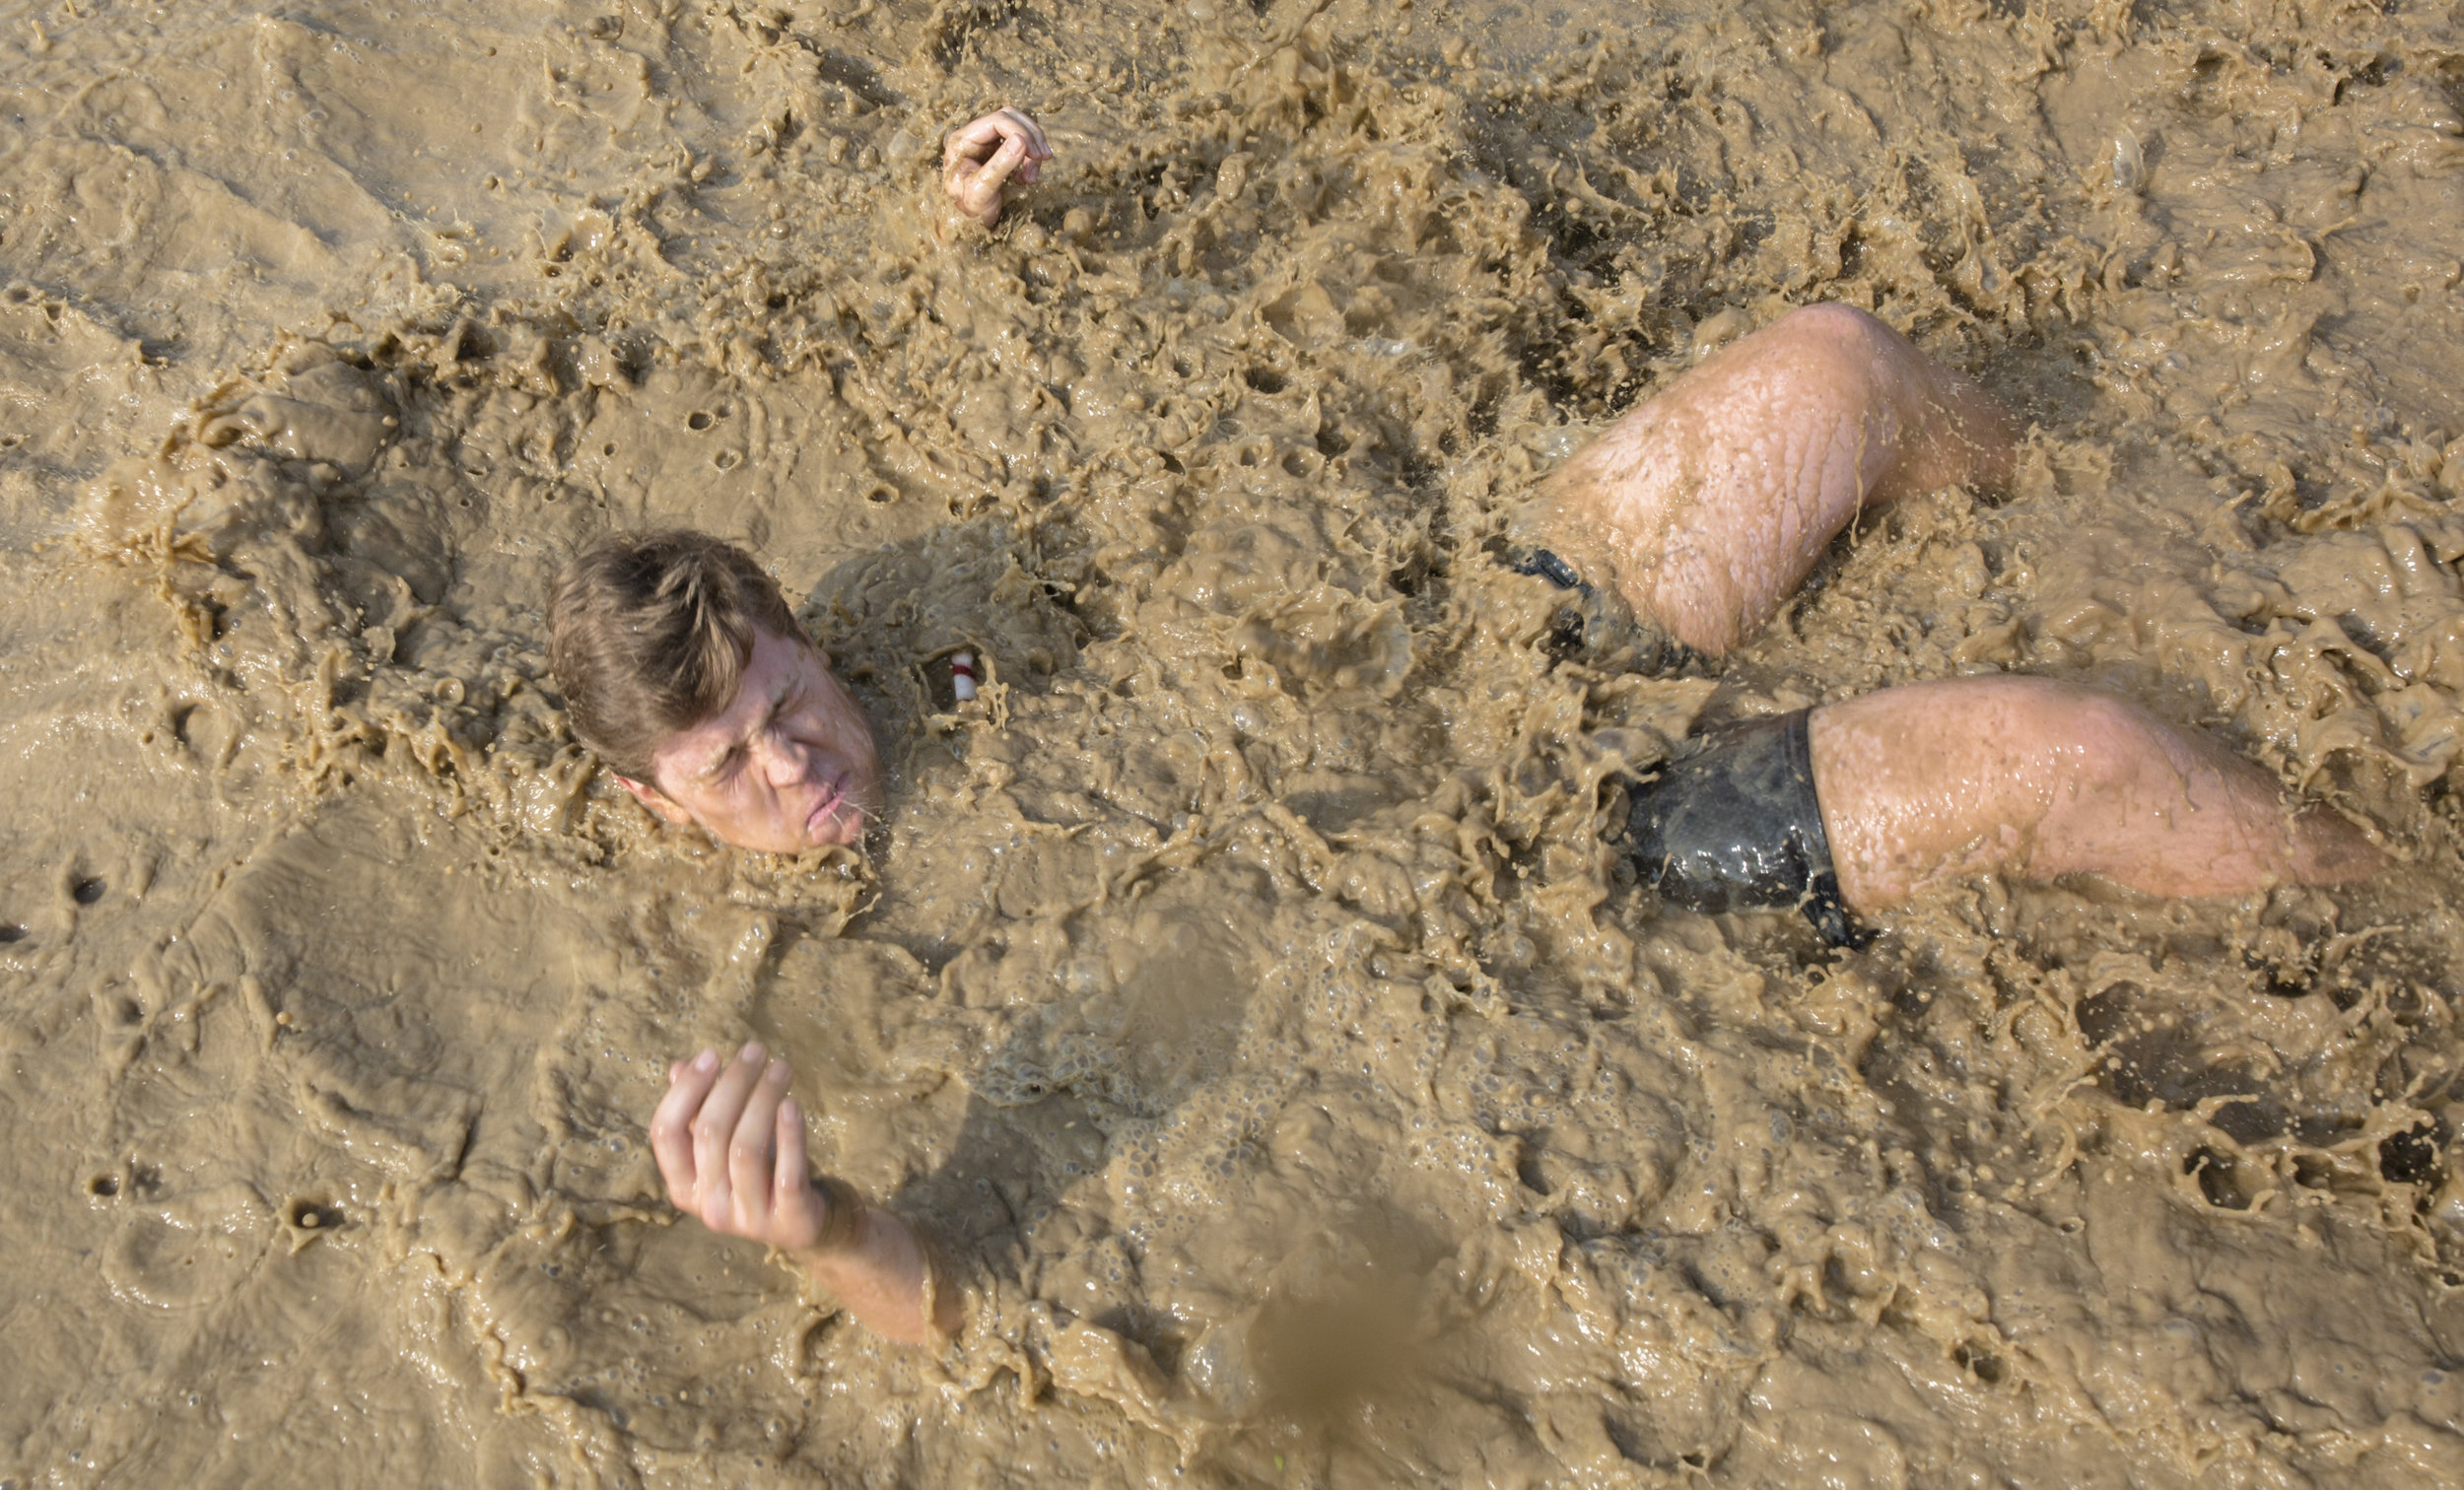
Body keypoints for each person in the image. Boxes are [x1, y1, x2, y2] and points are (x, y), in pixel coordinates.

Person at [549, 109, 2382, 1345]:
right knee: (2073, 752)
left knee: (1840, 363)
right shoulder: (853, 965)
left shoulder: (933, 623)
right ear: (655, 808)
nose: (797, 766)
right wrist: (828, 1236)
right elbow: (973, 1287)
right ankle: (2382, 891)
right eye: (731, 769)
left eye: (793, 703)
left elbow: (1005, 394)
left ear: (808, 636)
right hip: (1552, 865)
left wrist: (975, 225)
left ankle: (2102, 508)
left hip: (1482, 635)